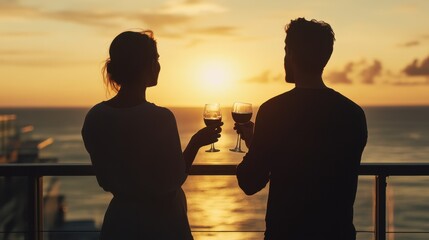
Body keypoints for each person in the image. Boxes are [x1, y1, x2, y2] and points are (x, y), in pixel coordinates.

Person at [81, 30, 222, 240]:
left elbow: (106, 176)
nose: (158, 65)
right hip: (162, 223)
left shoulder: (95, 117)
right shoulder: (160, 118)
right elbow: (172, 181)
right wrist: (195, 143)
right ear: (143, 65)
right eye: (155, 59)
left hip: (120, 222)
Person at [235, 18, 367, 240]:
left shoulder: (274, 111)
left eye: (286, 50)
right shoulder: (353, 114)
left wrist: (257, 146)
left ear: (291, 54)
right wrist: (258, 143)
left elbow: (250, 181)